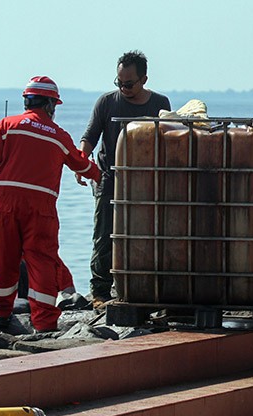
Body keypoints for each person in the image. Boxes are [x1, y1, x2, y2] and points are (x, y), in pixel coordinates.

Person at [0, 76, 101, 332]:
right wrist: (99, 176)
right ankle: (44, 323)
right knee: (42, 260)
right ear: (51, 105)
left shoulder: (6, 126)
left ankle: (1, 315)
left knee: (2, 258)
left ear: (27, 102)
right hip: (41, 207)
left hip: (3, 203)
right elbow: (81, 163)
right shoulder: (58, 135)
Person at [79, 50, 171, 310]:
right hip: (110, 177)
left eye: (128, 84)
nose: (123, 88)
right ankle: (99, 291)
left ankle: (140, 286)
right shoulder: (107, 102)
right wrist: (80, 162)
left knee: (145, 234)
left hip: (145, 180)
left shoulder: (160, 103)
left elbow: (170, 136)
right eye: (119, 82)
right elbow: (90, 135)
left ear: (144, 79)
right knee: (104, 234)